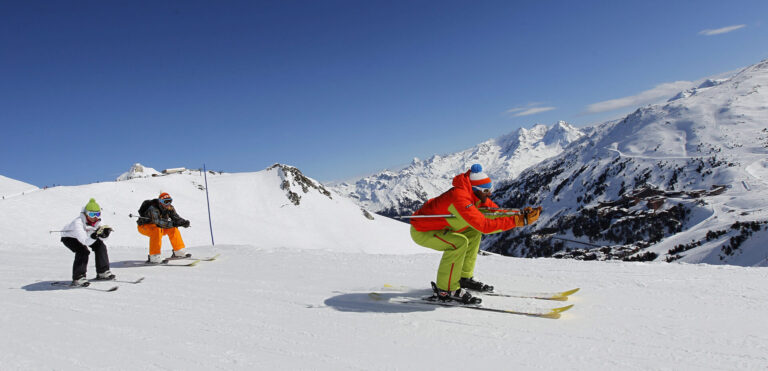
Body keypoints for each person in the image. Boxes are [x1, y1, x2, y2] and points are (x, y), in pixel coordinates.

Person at [409, 164, 542, 304]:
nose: (489, 193)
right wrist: (518, 221)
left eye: (490, 189)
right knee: (458, 243)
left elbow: (493, 212)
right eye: (486, 190)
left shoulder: (475, 194)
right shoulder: (459, 198)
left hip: (442, 227)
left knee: (473, 231)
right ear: (475, 190)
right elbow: (485, 225)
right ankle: (446, 290)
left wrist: (520, 214)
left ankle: (463, 278)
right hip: (423, 231)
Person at [60, 198, 114, 286]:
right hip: (69, 237)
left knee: (100, 245)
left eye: (97, 214)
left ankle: (103, 272)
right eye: (92, 214)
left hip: (87, 236)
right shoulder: (78, 223)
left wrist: (105, 235)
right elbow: (85, 241)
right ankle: (78, 277)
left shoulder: (99, 220)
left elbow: (101, 237)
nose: (95, 217)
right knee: (83, 251)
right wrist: (94, 236)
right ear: (86, 214)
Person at [137, 192, 191, 264]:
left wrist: (183, 222)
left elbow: (176, 218)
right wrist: (173, 223)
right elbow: (158, 222)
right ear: (160, 201)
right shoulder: (153, 209)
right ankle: (154, 256)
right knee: (157, 229)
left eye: (170, 201)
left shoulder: (170, 208)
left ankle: (178, 251)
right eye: (166, 202)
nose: (168, 204)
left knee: (173, 228)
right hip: (144, 227)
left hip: (159, 227)